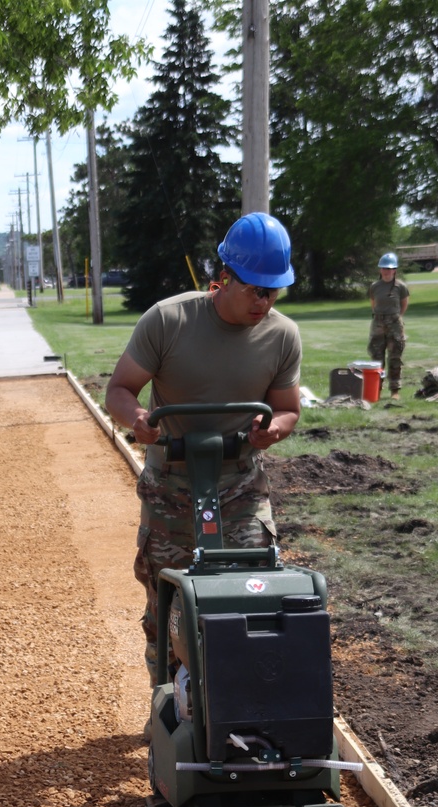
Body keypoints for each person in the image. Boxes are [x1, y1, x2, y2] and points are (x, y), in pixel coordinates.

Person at [105, 211, 301, 694]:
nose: (265, 301)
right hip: (171, 480)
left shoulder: (282, 335)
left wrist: (271, 431)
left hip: (239, 481)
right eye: (256, 288)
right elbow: (120, 390)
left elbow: (288, 409)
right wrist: (139, 422)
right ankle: (168, 699)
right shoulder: (169, 320)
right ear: (225, 278)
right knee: (168, 598)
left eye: (274, 290)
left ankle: (243, 699)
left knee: (252, 591)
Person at [368, 253, 409, 397]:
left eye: (389, 268)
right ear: (380, 270)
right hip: (378, 323)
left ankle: (394, 390)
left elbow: (404, 304)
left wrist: (396, 318)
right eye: (384, 268)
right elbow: (374, 304)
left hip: (395, 324)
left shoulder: (400, 286)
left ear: (394, 270)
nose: (386, 271)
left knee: (395, 357)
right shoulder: (375, 286)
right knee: (376, 357)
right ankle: (376, 389)